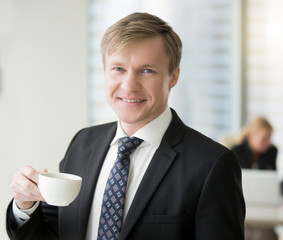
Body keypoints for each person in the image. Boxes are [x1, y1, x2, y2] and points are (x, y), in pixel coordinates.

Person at [6, 13, 245, 240]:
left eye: (147, 70)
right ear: (105, 72)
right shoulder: (83, 143)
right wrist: (24, 206)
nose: (129, 86)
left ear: (173, 76)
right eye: (118, 69)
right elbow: (52, 233)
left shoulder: (212, 164)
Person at [232, 117, 278, 240]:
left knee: (266, 233)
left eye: (269, 139)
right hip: (241, 205)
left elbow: (272, 180)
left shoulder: (272, 151)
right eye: (264, 139)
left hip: (265, 207)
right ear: (251, 136)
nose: (268, 143)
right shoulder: (236, 151)